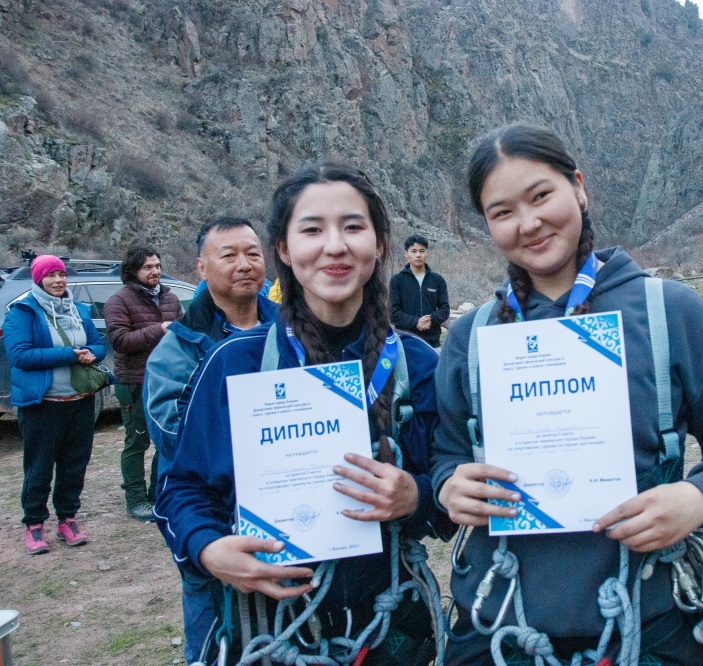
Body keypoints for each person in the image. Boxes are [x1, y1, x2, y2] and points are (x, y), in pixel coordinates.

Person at [430, 124, 703, 665]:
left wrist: (699, 496)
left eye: (540, 196)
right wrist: (449, 485)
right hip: (500, 625)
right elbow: (447, 452)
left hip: (651, 621)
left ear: (579, 187)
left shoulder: (667, 311)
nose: (529, 223)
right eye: (502, 212)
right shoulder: (470, 338)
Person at [155, 162, 450, 663]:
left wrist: (416, 496)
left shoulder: (416, 365)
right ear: (285, 251)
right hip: (268, 630)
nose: (334, 246)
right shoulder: (236, 362)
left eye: (352, 227)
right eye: (312, 230)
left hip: (391, 624)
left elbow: (451, 486)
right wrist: (208, 548)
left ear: (379, 245)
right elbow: (181, 486)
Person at [144, 217, 278, 665]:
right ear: (201, 267)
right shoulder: (178, 348)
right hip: (211, 517)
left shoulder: (294, 330)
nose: (244, 264)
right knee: (214, 635)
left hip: (282, 511)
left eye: (253, 253)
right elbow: (174, 438)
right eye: (229, 255)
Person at [3, 255, 106, 554]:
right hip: (43, 404)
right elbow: (20, 355)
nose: (59, 280)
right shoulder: (22, 311)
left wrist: (92, 353)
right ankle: (34, 524)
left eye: (62, 275)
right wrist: (71, 354)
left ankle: (67, 519)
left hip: (80, 401)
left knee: (75, 465)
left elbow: (98, 344)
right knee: (39, 467)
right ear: (39, 279)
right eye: (51, 275)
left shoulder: (78, 309)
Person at [104, 246, 181, 520]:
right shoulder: (118, 301)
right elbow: (120, 341)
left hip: (167, 380)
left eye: (157, 266)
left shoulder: (171, 298)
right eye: (148, 267)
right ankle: (136, 500)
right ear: (133, 270)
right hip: (134, 381)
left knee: (166, 439)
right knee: (137, 442)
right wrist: (159, 329)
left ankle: (158, 495)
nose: (155, 271)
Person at [389, 235, 450, 348]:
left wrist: (430, 320)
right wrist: (416, 322)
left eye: (422, 251)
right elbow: (393, 313)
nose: (418, 255)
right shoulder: (397, 280)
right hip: (406, 342)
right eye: (414, 251)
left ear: (427, 252)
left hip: (432, 343)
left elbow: (445, 310)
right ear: (406, 254)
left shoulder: (437, 280)